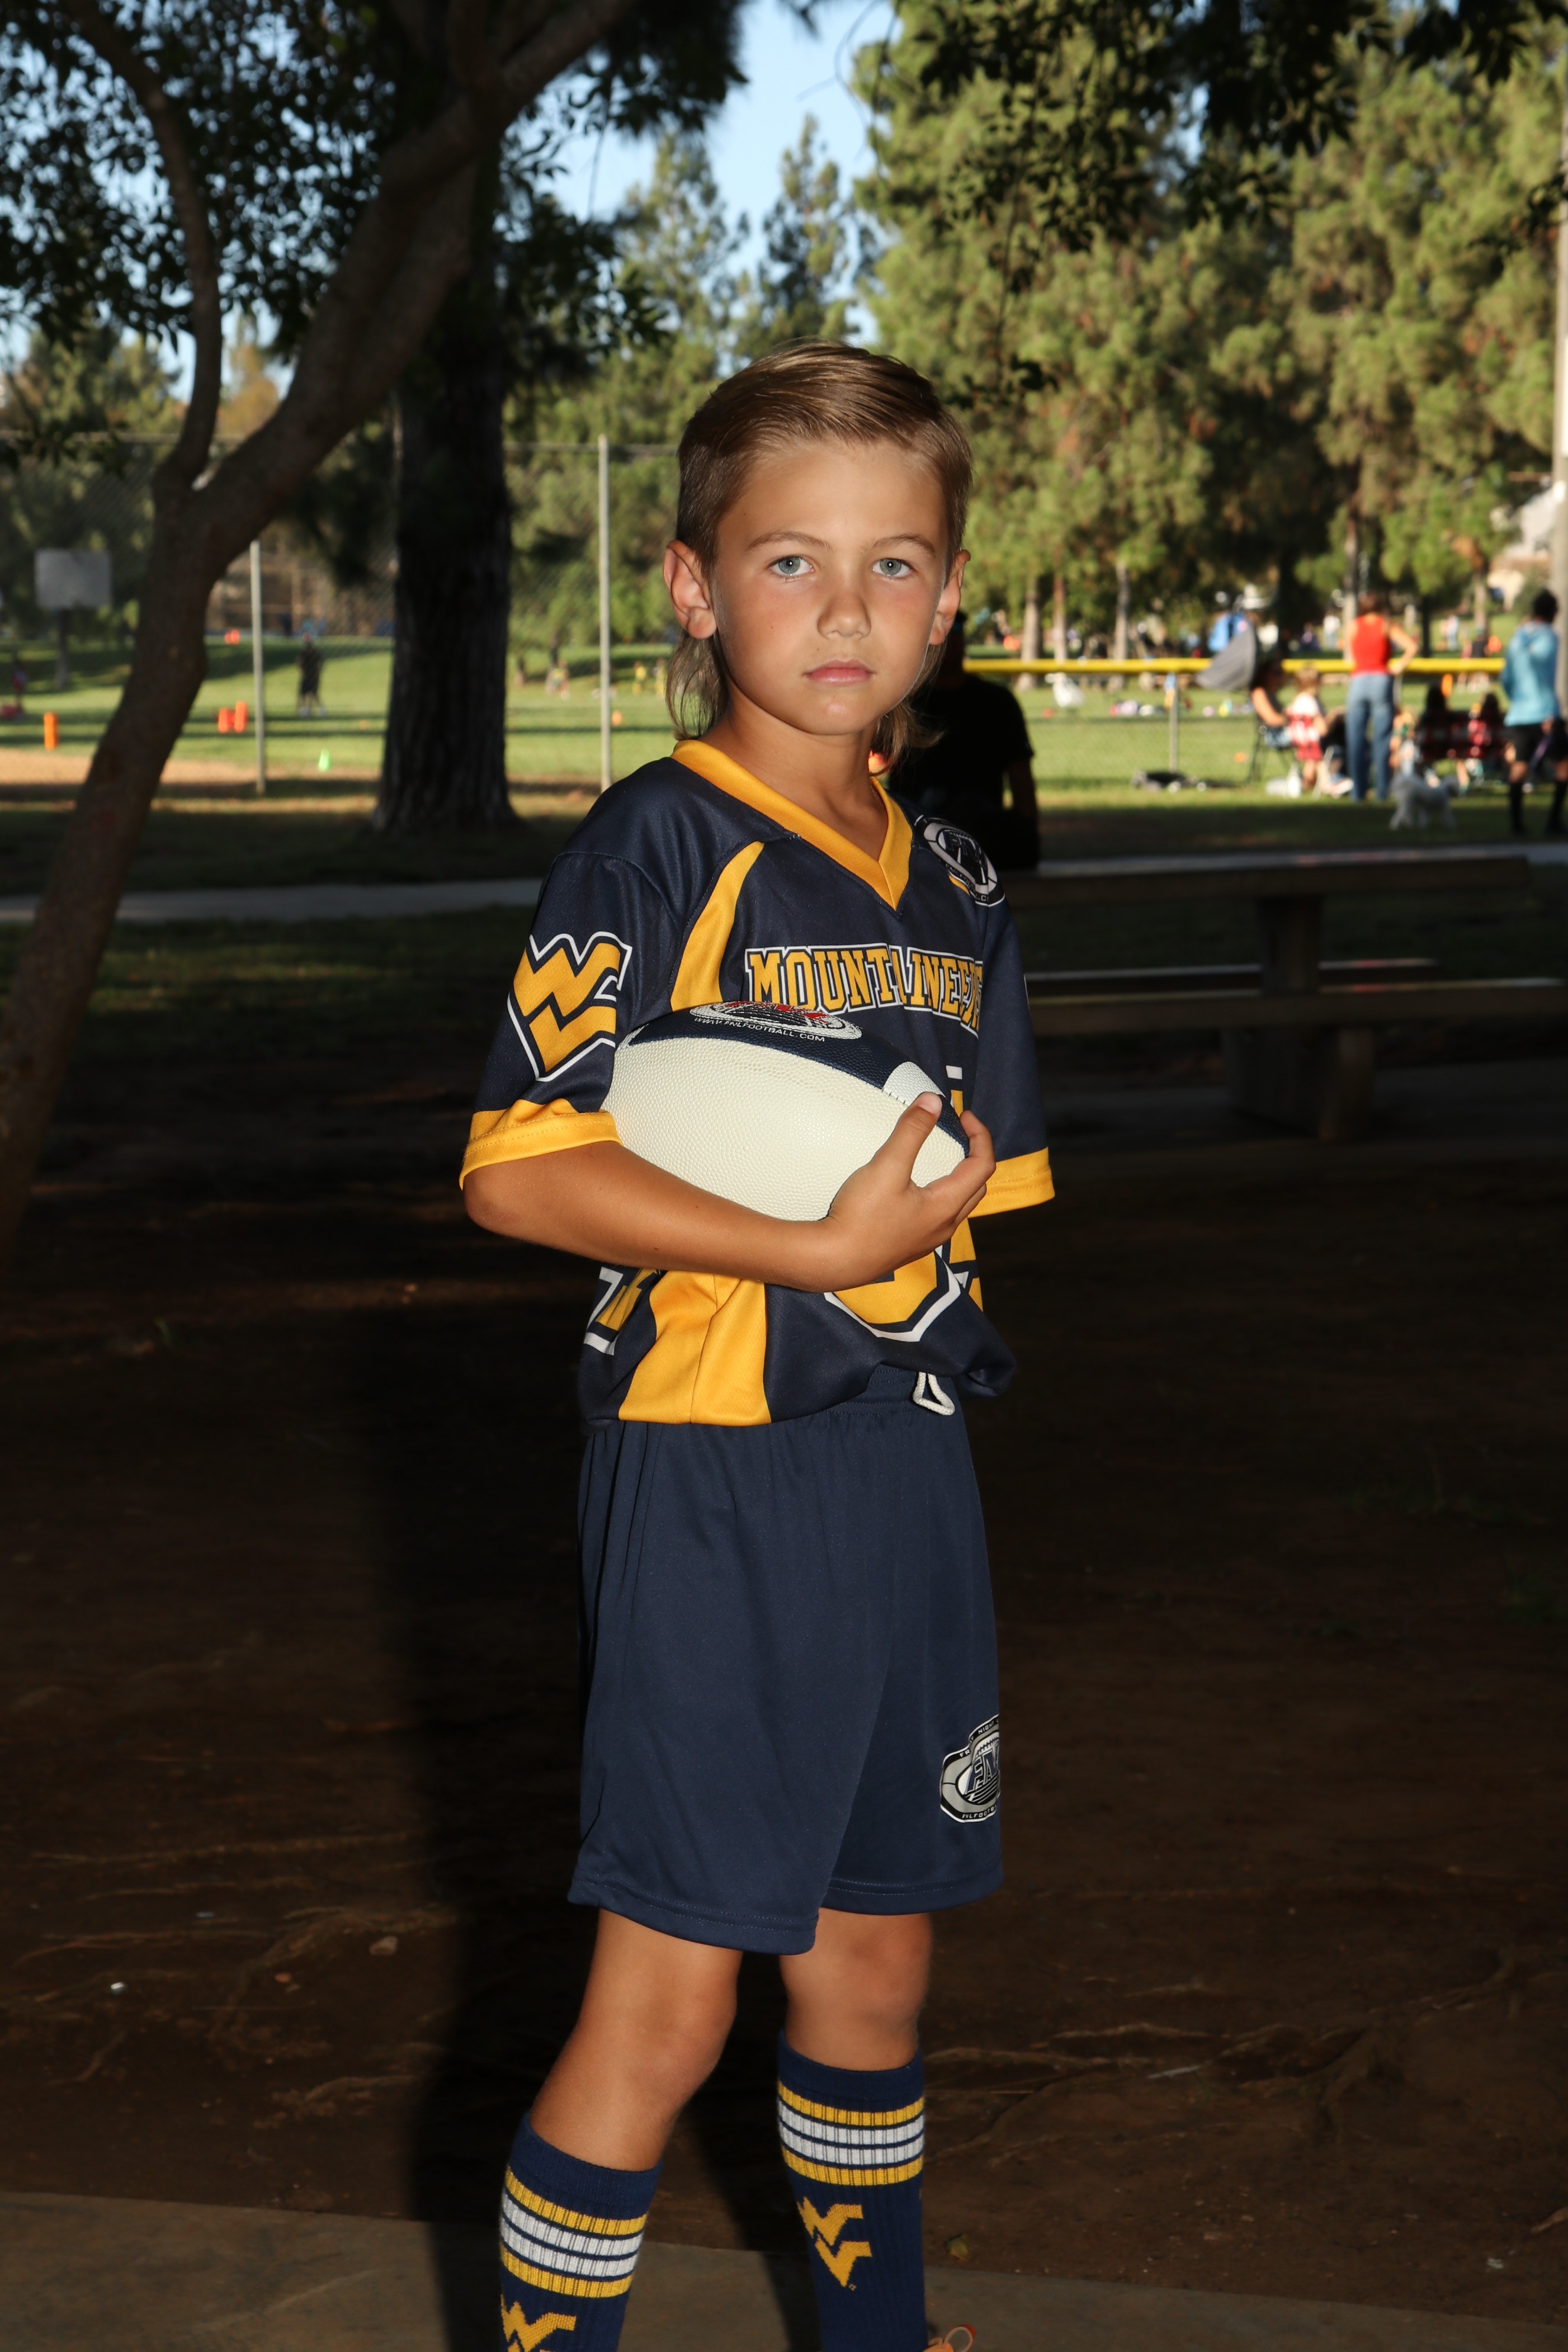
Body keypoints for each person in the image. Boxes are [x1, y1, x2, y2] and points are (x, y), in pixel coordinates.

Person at [460, 342, 1051, 2352]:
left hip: (903, 1472)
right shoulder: (650, 842)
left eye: (896, 564)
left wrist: (889, 1252)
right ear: (695, 586)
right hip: (713, 1477)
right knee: (668, 1999)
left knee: (874, 1972)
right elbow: (520, 1171)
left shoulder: (957, 885)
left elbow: (970, 1192)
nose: (847, 607)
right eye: (792, 559)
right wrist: (807, 1242)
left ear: (950, 599)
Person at [896, 606, 1040, 868]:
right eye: (940, 630)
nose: (949, 639)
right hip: (920, 836)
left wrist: (1027, 834)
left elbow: (1021, 777)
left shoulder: (997, 703)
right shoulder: (907, 705)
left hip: (983, 835)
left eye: (956, 630)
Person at [1500, 589, 1568, 838]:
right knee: (1563, 766)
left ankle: (1516, 825)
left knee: (1519, 766)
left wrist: (1518, 699)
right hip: (1545, 713)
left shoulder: (1517, 639)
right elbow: (1545, 675)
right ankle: (1554, 821)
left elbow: (1506, 678)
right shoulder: (1550, 637)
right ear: (1553, 613)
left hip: (1520, 713)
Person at [1344, 592, 1416, 802]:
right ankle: (1382, 792)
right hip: (1381, 681)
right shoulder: (1386, 624)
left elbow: (1351, 652)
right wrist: (1399, 666)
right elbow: (1412, 647)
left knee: (1356, 740)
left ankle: (1358, 793)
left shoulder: (1353, 626)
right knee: (1382, 740)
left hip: (1358, 682)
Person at [296, 629, 325, 717]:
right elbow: (322, 661)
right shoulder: (311, 653)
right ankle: (308, 710)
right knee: (310, 693)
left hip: (310, 675)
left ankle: (310, 710)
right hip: (312, 675)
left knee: (310, 693)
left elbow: (299, 662)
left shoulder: (308, 653)